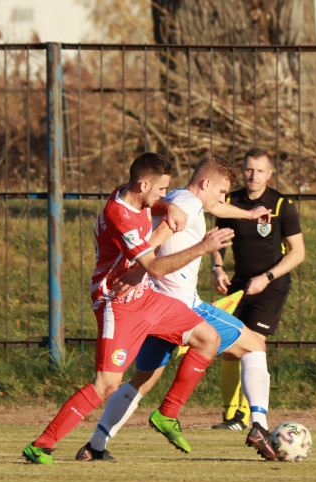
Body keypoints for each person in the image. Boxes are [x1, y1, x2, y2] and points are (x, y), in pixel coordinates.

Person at [22, 152, 234, 465]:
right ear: (144, 185)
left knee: (209, 338)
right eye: (161, 190)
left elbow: (153, 206)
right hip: (116, 304)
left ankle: (167, 415)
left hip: (145, 297)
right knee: (107, 384)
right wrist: (204, 246)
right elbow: (155, 267)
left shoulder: (131, 192)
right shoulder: (121, 218)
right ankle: (42, 445)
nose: (165, 195)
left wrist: (166, 205)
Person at [75, 154, 279, 461]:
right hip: (181, 306)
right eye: (222, 191)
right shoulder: (187, 204)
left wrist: (250, 214)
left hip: (153, 307)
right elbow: (160, 236)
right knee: (254, 345)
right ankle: (258, 425)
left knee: (142, 380)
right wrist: (141, 267)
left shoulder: (177, 197)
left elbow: (212, 206)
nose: (222, 199)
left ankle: (95, 446)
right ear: (206, 183)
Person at [208, 148, 305, 430]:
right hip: (240, 284)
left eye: (260, 170)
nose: (253, 175)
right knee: (227, 346)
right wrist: (217, 268)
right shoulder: (231, 202)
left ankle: (256, 417)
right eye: (249, 169)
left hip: (271, 285)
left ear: (270, 174)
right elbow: (217, 240)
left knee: (254, 345)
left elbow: (298, 252)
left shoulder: (281, 204)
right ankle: (231, 418)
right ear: (243, 169)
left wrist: (267, 276)